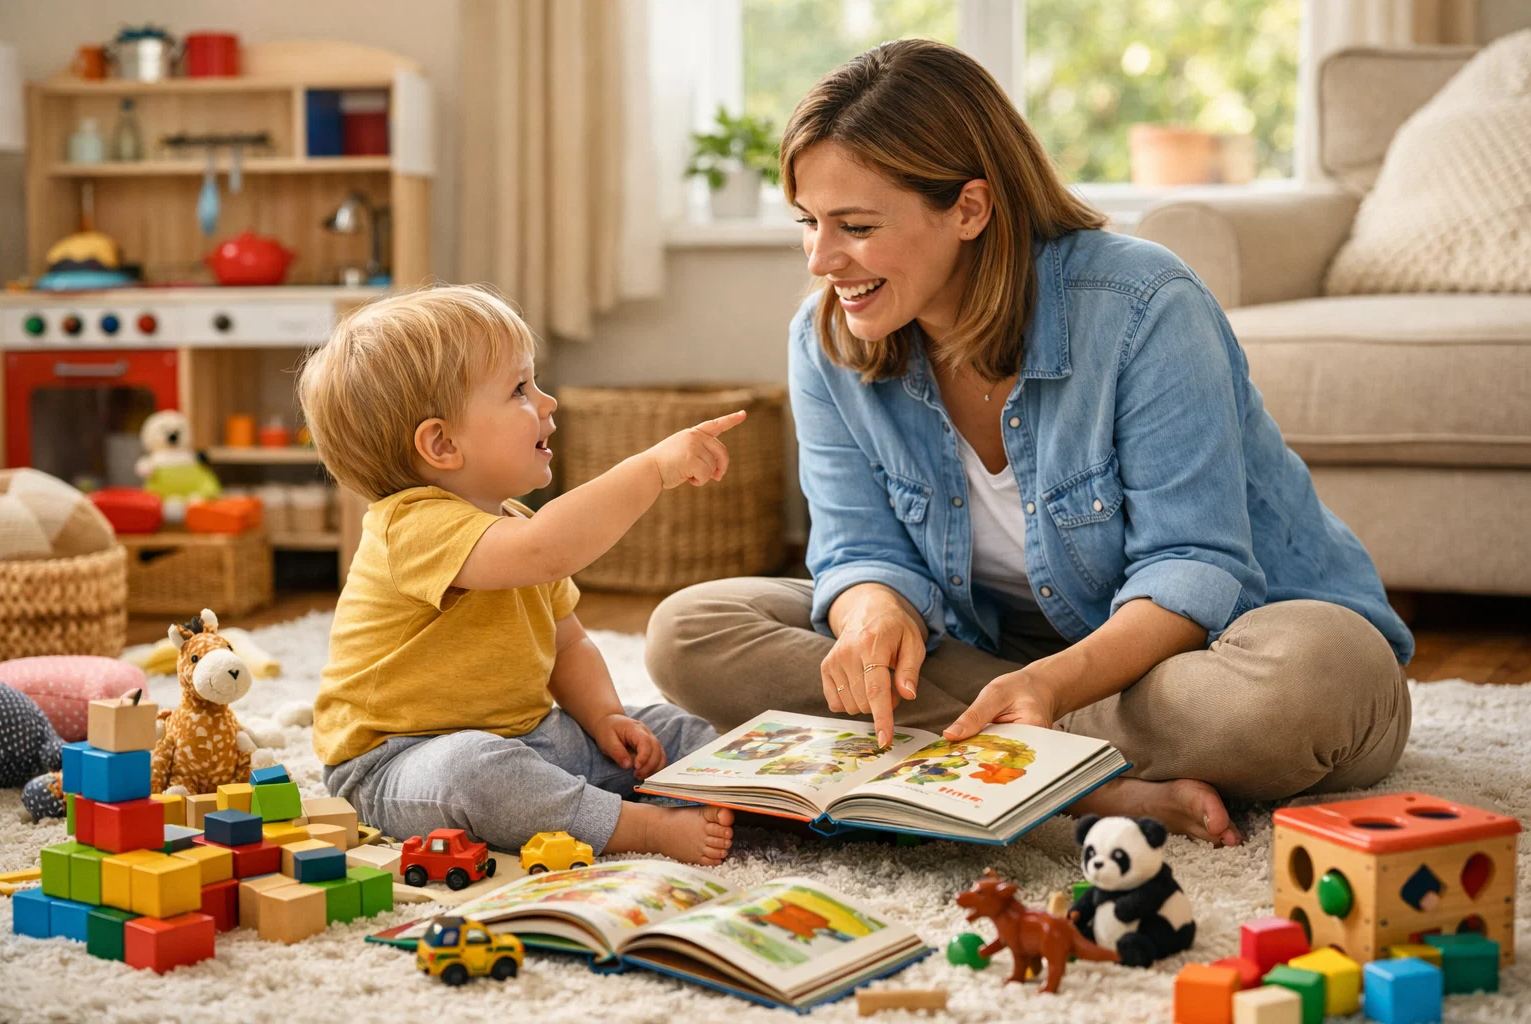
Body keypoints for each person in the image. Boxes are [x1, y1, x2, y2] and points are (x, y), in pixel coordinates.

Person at [645, 40, 1413, 848]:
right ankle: (1091, 786)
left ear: (970, 209)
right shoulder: (827, 339)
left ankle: (1021, 759)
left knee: (1304, 685)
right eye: (808, 223)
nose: (821, 259)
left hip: (1206, 651)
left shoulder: (1143, 304)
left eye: (857, 227)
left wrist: (1049, 687)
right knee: (691, 631)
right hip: (998, 653)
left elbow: (1195, 567)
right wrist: (872, 614)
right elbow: (858, 547)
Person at [298, 285, 740, 864]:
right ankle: (641, 828)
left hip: (527, 737)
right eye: (519, 389)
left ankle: (764, 798)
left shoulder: (516, 526)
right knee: (480, 772)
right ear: (441, 443)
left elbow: (568, 642)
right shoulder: (409, 528)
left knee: (667, 728)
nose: (547, 402)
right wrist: (651, 469)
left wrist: (604, 714)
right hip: (399, 767)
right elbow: (549, 548)